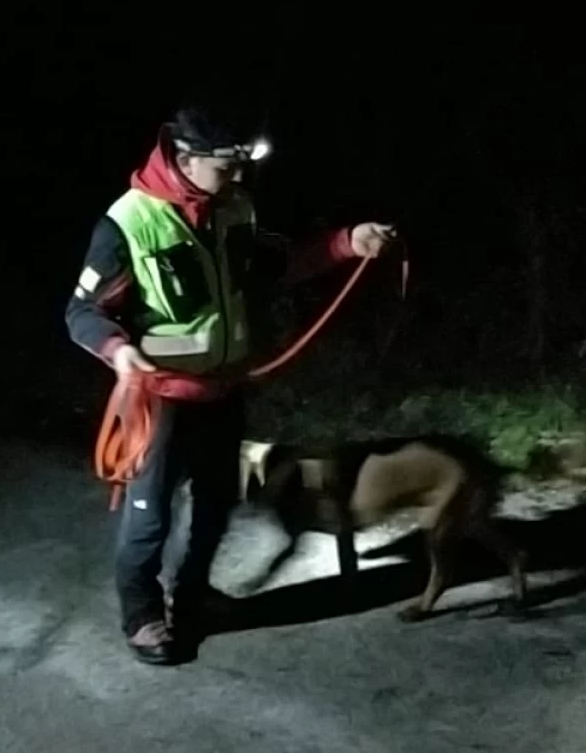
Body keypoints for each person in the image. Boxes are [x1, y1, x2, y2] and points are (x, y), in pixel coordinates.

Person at [65, 101, 398, 665]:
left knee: (216, 507)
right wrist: (118, 352)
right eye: (227, 165)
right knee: (150, 517)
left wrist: (348, 243)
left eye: (244, 164)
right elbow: (81, 313)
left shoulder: (233, 209)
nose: (239, 177)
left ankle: (192, 597)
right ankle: (144, 615)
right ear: (186, 159)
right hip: (160, 401)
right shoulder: (128, 223)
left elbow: (279, 264)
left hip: (223, 394)